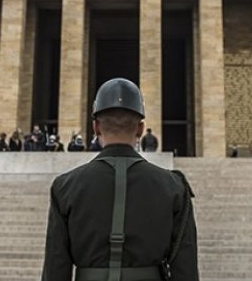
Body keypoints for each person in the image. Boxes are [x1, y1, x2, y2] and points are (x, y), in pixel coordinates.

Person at [42, 78, 199, 281]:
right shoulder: (173, 187)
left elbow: (56, 268)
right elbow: (185, 270)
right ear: (141, 129)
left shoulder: (66, 187)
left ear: (96, 127)